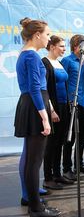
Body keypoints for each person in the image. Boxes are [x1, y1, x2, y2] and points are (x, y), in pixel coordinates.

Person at [15, 17, 60, 216]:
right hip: (35, 107)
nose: (48, 38)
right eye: (47, 34)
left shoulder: (25, 54)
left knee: (30, 158)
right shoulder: (32, 56)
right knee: (34, 161)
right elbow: (35, 88)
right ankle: (36, 207)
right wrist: (44, 117)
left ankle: (31, 198)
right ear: (37, 35)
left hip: (31, 105)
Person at [42, 35, 74, 190]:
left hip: (64, 106)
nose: (64, 49)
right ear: (52, 46)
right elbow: (45, 90)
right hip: (53, 107)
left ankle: (57, 174)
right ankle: (48, 178)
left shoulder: (59, 63)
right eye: (61, 46)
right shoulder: (45, 63)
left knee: (60, 141)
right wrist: (52, 110)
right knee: (51, 143)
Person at [61, 34, 84, 181]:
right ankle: (66, 168)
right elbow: (62, 82)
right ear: (75, 46)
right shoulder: (67, 61)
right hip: (72, 103)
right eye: (82, 45)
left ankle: (79, 164)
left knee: (82, 137)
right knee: (70, 138)